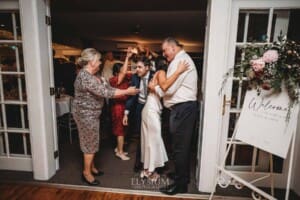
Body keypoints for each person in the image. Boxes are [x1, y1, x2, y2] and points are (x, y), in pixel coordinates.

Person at [72, 48, 139, 186]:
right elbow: (105, 92)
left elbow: (109, 88)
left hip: (93, 114)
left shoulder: (94, 75)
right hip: (85, 115)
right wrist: (127, 91)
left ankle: (92, 167)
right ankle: (87, 173)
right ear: (91, 62)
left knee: (93, 141)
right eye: (98, 60)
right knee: (89, 144)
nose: (100, 63)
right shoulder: (85, 76)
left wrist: (123, 89)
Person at [156, 37, 198, 195]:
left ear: (173, 48)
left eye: (165, 50)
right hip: (183, 109)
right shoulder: (180, 60)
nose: (164, 53)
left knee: (180, 148)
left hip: (183, 109)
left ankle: (181, 185)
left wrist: (156, 89)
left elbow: (168, 89)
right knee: (181, 146)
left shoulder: (179, 62)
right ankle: (182, 177)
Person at [140, 56, 189, 182]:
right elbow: (163, 91)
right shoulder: (161, 73)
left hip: (150, 109)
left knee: (150, 140)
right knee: (154, 140)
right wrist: (178, 72)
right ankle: (150, 171)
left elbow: (161, 91)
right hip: (151, 111)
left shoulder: (157, 74)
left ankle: (147, 169)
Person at [122, 56, 154, 172]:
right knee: (141, 136)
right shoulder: (136, 77)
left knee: (152, 137)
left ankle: (152, 164)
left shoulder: (155, 76)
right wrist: (126, 113)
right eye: (136, 67)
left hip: (152, 109)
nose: (137, 70)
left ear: (147, 67)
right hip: (139, 108)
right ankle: (139, 162)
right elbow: (131, 96)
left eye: (140, 67)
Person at [109, 47, 133, 161]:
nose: (125, 72)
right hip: (118, 107)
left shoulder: (125, 78)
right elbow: (124, 72)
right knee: (120, 131)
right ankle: (120, 152)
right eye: (121, 71)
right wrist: (127, 57)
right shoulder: (113, 80)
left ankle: (118, 148)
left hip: (124, 106)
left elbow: (129, 72)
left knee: (122, 129)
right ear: (116, 72)